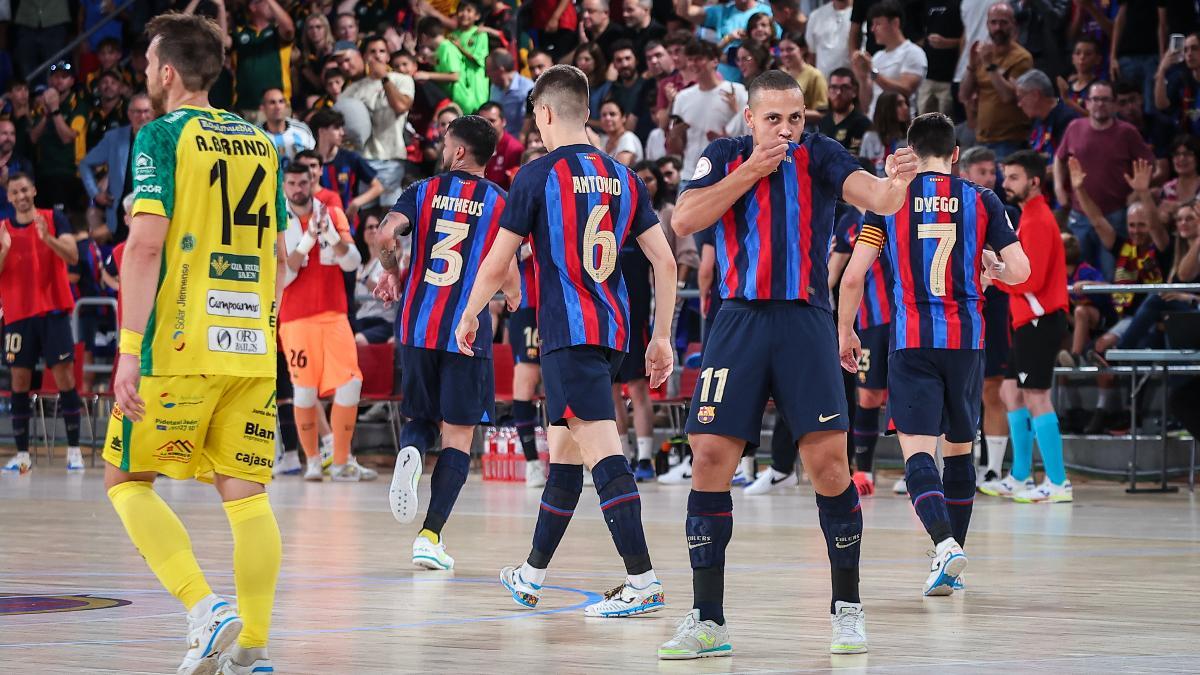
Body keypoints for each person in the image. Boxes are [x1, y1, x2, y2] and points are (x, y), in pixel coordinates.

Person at [661, 70, 922, 659]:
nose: (786, 128)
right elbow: (684, 220)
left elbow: (878, 199)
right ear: (749, 119)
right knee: (708, 458)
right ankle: (708, 619)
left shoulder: (821, 154)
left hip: (806, 321)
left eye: (795, 117)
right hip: (738, 319)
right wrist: (752, 169)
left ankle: (847, 610)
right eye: (773, 118)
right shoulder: (723, 154)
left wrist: (897, 182)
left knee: (830, 466)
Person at [453, 64, 679, 618]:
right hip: (610, 335)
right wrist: (663, 337)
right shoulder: (626, 178)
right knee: (564, 459)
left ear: (546, 114)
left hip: (567, 336)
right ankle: (531, 573)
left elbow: (496, 264)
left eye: (534, 117)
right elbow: (665, 262)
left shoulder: (535, 177)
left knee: (604, 454)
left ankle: (643, 580)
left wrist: (469, 315)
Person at [101, 13, 284, 675]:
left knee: (125, 479)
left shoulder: (160, 136)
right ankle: (253, 648)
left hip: (180, 344)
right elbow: (282, 255)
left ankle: (204, 609)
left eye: (151, 64)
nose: (147, 73)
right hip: (252, 345)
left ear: (168, 73)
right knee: (247, 493)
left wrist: (127, 348)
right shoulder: (263, 144)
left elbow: (144, 245)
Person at [839, 113, 1029, 595]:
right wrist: (992, 269)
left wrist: (845, 330)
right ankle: (950, 563)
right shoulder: (982, 199)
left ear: (911, 151)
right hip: (966, 341)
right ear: (956, 154)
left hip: (912, 340)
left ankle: (945, 546)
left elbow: (855, 274)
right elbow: (1021, 271)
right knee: (961, 451)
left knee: (917, 451)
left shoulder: (888, 200)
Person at [373, 114, 514, 569]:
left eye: (443, 140)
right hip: (466, 330)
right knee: (458, 435)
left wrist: (391, 273)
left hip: (417, 323)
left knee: (419, 415)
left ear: (457, 152)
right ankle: (429, 536)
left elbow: (384, 233)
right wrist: (513, 296)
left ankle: (411, 450)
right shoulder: (499, 201)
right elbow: (505, 266)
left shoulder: (423, 192)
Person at [979, 150, 1071, 503]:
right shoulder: (1030, 217)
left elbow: (1030, 280)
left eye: (1014, 177)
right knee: (1009, 393)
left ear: (1034, 181)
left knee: (1036, 396)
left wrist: (994, 278)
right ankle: (1019, 476)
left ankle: (1059, 482)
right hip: (1027, 319)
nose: (1006, 183)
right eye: (1006, 176)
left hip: (1039, 318)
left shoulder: (1038, 220)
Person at [279, 161, 366, 483]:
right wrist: (306, 241)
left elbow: (352, 263)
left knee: (351, 384)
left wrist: (328, 232)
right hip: (296, 319)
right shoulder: (278, 219)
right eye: (292, 183)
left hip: (334, 313)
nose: (299, 188)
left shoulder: (332, 212)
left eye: (304, 181)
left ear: (314, 179)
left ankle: (341, 461)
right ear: (284, 185)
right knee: (303, 392)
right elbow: (284, 275)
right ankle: (314, 461)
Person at [0, 173, 80, 474]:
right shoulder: (3, 228)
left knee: (65, 380)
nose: (20, 195)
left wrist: (47, 239)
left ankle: (74, 452)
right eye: (14, 192)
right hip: (18, 316)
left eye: (24, 189)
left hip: (53, 312)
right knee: (19, 382)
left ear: (33, 190)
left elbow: (73, 256)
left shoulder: (54, 218)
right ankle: (22, 457)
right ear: (8, 198)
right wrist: (5, 250)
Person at [957, 145, 1017, 485]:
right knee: (958, 391)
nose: (991, 178)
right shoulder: (954, 207)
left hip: (994, 305)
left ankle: (992, 468)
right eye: (983, 172)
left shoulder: (1002, 210)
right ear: (964, 173)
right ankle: (946, 468)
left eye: (993, 171)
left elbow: (1013, 259)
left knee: (992, 387)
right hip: (959, 304)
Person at [1054, 80, 1155, 278]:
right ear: (1088, 103)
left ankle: (1114, 310)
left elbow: (1149, 164)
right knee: (1077, 275)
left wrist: (1136, 193)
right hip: (1079, 215)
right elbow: (1059, 158)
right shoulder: (1074, 127)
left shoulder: (1127, 132)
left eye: (1105, 100)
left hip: (1114, 214)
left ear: (1115, 104)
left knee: (1113, 274)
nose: (1100, 104)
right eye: (1095, 99)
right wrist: (1059, 187)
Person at [341, 37, 415, 208]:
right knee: (367, 219)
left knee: (390, 217)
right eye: (372, 52)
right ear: (365, 56)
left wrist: (384, 78)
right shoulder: (354, 88)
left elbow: (400, 106)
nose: (377, 56)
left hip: (391, 158)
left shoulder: (402, 80)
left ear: (388, 56)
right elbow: (339, 118)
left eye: (382, 51)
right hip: (364, 159)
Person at [958, 2, 1032, 159]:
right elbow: (963, 95)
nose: (998, 27)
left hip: (1009, 141)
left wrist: (990, 65)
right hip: (982, 139)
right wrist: (971, 66)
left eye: (1003, 22)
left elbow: (1007, 96)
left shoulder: (1022, 57)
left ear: (1013, 25)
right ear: (987, 25)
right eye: (994, 22)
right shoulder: (982, 53)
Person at [79, 93, 154, 244]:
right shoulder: (114, 138)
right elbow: (85, 164)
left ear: (153, 114)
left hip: (152, 212)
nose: (142, 116)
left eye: (146, 111)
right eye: (137, 112)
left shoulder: (164, 139)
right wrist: (95, 193)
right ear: (129, 114)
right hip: (121, 216)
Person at [668, 40, 748, 180]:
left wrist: (734, 117)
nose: (693, 64)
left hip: (726, 176)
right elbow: (676, 148)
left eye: (699, 59)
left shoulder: (736, 91)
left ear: (715, 61)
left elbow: (749, 133)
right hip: (690, 177)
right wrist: (674, 135)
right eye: (690, 60)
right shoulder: (682, 98)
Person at [851, 1, 927, 117]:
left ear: (895, 23)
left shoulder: (913, 52)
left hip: (899, 125)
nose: (873, 29)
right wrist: (862, 79)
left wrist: (872, 72)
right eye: (872, 24)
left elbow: (905, 90)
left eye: (878, 24)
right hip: (875, 123)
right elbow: (866, 105)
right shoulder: (877, 57)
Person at [309, 108, 384, 222]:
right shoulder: (307, 160)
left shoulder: (351, 158)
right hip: (316, 223)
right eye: (336, 128)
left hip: (347, 223)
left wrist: (356, 202)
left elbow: (378, 187)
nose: (342, 133)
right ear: (322, 131)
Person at [231, 0, 295, 114]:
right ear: (253, 6)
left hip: (277, 106)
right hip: (244, 107)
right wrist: (220, 6)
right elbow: (223, 43)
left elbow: (289, 29)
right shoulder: (240, 32)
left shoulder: (276, 31)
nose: (271, 5)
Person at [1015, 69, 1079, 161]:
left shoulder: (1067, 119)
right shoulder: (1037, 120)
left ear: (1035, 95)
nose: (1019, 104)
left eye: (1020, 97)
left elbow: (1069, 163)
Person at [819, 68, 873, 156]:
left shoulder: (862, 123)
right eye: (834, 87)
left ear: (854, 91)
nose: (839, 92)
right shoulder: (824, 121)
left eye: (844, 88)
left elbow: (854, 159)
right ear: (828, 91)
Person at [258, 87, 315, 168]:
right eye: (272, 102)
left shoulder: (302, 130)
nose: (277, 107)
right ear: (262, 108)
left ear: (285, 106)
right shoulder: (256, 135)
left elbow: (313, 160)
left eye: (281, 102)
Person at [860, 90, 910, 177]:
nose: (905, 107)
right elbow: (862, 168)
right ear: (887, 108)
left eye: (905, 103)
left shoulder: (911, 138)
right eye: (899, 104)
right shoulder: (870, 137)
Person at [486, 49, 534, 137]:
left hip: (519, 142)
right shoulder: (494, 87)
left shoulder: (528, 87)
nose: (486, 75)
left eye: (489, 71)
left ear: (500, 70)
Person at [478, 102, 524, 189]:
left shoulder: (514, 149)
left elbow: (515, 186)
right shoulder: (474, 146)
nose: (487, 125)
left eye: (492, 120)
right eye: (483, 121)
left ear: (503, 121)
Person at [807, 0, 853, 77]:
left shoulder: (863, 13)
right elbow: (812, 55)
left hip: (853, 82)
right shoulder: (815, 16)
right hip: (824, 82)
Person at [597, 99, 643, 166]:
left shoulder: (628, 138)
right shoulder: (603, 140)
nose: (607, 118)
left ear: (623, 117)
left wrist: (596, 147)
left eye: (612, 114)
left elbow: (619, 171)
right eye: (604, 115)